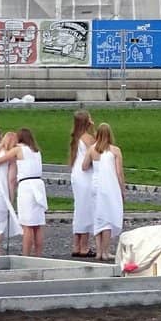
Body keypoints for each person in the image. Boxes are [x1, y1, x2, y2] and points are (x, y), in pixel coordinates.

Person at [0, 127, 47, 256]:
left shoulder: (18, 149)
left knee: (27, 224)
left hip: (27, 186)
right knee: (38, 225)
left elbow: (1, 159)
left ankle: (26, 254)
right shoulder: (36, 151)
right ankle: (38, 254)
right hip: (38, 185)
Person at [83, 123, 125, 262]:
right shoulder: (115, 151)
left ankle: (99, 251)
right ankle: (105, 251)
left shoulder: (92, 150)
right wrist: (122, 189)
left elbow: (84, 166)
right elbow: (119, 173)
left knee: (98, 216)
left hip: (96, 185)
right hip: (110, 186)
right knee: (107, 217)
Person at [68, 110, 96, 258]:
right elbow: (97, 153)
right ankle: (84, 246)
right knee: (86, 208)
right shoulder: (88, 138)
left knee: (79, 208)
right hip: (85, 176)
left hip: (76, 175)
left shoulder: (76, 138)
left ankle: (76, 244)